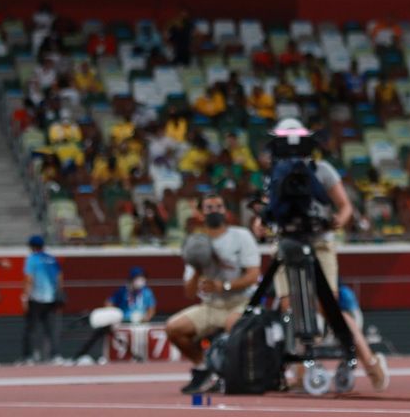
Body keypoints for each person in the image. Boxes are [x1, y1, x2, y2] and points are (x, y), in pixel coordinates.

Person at [254, 118, 389, 392]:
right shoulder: (274, 175)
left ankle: (370, 362)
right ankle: (302, 368)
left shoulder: (323, 170)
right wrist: (261, 223)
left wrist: (337, 219)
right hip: (285, 243)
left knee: (328, 305)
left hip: (320, 244)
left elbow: (345, 206)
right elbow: (264, 216)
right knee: (287, 305)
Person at [165, 194, 262, 395]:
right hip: (211, 305)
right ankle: (202, 368)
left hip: (240, 302)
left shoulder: (241, 236)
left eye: (219, 206)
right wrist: (198, 270)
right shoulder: (197, 243)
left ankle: (233, 374)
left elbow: (253, 275)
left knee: (232, 326)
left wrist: (223, 286)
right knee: (174, 328)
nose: (214, 210)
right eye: (209, 207)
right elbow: (189, 293)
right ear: (200, 213)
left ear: (226, 210)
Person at [74, 266, 156, 364]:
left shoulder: (147, 292)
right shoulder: (123, 291)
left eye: (142, 277)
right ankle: (94, 355)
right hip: (123, 320)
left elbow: (151, 309)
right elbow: (108, 302)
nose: (140, 280)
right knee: (104, 328)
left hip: (140, 323)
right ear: (131, 279)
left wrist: (146, 318)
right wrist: (112, 312)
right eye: (138, 277)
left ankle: (138, 355)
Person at [20, 234, 64, 364]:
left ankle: (29, 356)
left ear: (32, 247)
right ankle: (55, 355)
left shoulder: (32, 259)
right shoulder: (51, 259)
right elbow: (60, 277)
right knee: (50, 329)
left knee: (31, 328)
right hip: (51, 299)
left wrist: (25, 297)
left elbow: (29, 279)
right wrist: (58, 294)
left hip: (36, 298)